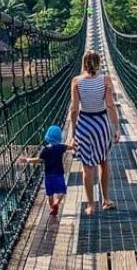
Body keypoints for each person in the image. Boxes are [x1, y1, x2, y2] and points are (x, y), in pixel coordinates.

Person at [69, 51, 120, 216]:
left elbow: (74, 109)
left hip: (84, 124)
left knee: (87, 166)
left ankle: (91, 205)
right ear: (98, 63)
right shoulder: (105, 80)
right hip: (100, 124)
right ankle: (106, 200)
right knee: (104, 162)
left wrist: (73, 132)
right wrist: (116, 128)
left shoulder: (76, 81)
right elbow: (111, 106)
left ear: (83, 63)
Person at [19, 125, 73, 217]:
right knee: (61, 192)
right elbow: (71, 147)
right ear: (59, 137)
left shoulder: (45, 149)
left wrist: (27, 160)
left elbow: (38, 159)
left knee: (50, 194)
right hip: (59, 174)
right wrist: (74, 136)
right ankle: (56, 203)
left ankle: (52, 207)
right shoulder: (60, 147)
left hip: (48, 176)